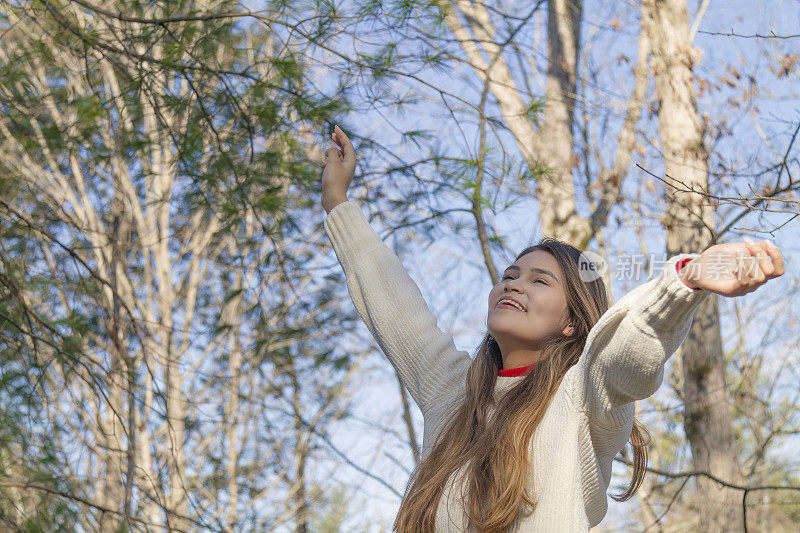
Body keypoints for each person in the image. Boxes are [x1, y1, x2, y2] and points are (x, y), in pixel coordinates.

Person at [319, 125, 785, 532]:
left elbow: (624, 352)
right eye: (510, 275)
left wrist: (684, 282)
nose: (514, 285)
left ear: (571, 323)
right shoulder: (451, 392)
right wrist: (337, 202)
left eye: (539, 280)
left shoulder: (581, 397)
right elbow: (394, 303)